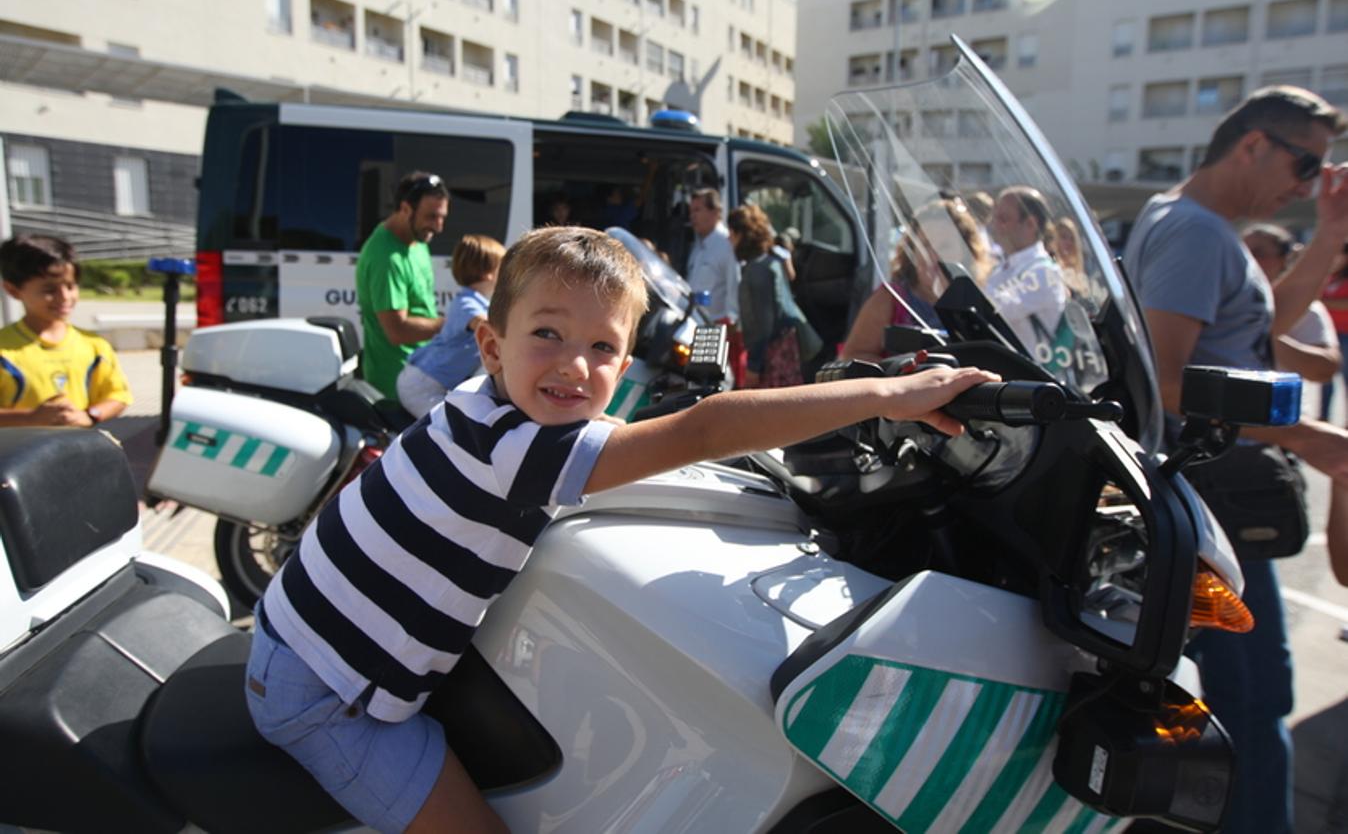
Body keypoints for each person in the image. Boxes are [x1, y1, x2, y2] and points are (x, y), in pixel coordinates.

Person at [244, 225, 997, 834]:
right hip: (323, 693)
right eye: (548, 334)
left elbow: (612, 425)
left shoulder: (488, 402)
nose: (574, 365)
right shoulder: (516, 449)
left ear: (626, 360)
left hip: (301, 631)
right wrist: (891, 393)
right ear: (491, 344)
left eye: (602, 347)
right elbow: (702, 429)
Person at [1121, 85, 1348, 834]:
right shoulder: (1197, 232)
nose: (1307, 182)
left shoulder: (1198, 226)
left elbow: (1256, 330)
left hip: (1216, 507)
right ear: (1251, 144)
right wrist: (1303, 437)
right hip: (1214, 509)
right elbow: (1165, 380)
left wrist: (1326, 235)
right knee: (1246, 709)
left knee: (1242, 705)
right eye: (1304, 162)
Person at [0, 234, 131, 427]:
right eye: (49, 290)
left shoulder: (95, 346)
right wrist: (30, 418)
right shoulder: (5, 350)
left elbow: (118, 396)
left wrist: (90, 415)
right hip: (15, 456)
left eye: (70, 286)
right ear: (13, 290)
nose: (64, 297)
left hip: (79, 453)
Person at [841, 198, 992, 363]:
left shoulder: (975, 303)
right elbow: (851, 357)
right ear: (912, 250)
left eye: (945, 246)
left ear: (965, 251)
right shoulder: (891, 299)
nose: (932, 256)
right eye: (925, 245)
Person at [356, 172, 450, 400]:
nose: (438, 227)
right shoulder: (386, 257)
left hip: (422, 369)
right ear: (405, 208)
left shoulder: (416, 241)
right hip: (398, 385)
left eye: (442, 217)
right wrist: (451, 325)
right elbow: (397, 331)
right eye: (431, 217)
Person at [396, 235, 506, 417]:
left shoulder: (481, 303)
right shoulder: (466, 303)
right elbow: (487, 325)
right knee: (450, 428)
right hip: (422, 384)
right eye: (503, 269)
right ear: (489, 273)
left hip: (432, 381)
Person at [729, 205, 822, 387]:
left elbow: (763, 325)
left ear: (740, 234)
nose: (728, 239)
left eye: (731, 233)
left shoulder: (756, 270)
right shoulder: (769, 262)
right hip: (784, 348)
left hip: (772, 354)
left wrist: (754, 366)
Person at [1242, 224, 1341, 386]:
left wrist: (1262, 335)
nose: (1249, 259)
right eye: (1243, 252)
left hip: (1285, 409)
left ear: (1284, 259)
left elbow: (1324, 369)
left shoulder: (1307, 309)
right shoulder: (1227, 303)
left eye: (1258, 253)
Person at [984, 186, 1067, 355]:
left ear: (1030, 224)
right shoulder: (1001, 268)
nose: (994, 224)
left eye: (1003, 219)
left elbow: (992, 311)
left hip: (1032, 378)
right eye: (994, 217)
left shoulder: (1043, 272)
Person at [685, 188, 744, 382]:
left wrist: (731, 328)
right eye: (691, 211)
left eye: (697, 210)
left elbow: (735, 287)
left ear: (716, 212)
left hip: (719, 332)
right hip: (697, 326)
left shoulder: (726, 245)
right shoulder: (699, 245)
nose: (692, 216)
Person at [1316, 249, 1348, 421]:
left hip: (1346, 335)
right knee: (1325, 380)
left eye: (1341, 254)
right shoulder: (1331, 277)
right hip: (1330, 334)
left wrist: (1323, 302)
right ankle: (1323, 418)